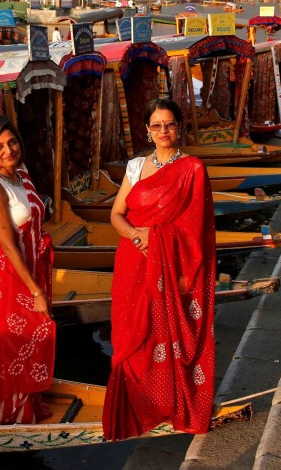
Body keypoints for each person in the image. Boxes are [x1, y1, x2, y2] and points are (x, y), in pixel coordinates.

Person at [102, 98, 216, 441]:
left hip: (171, 266)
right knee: (132, 335)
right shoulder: (136, 167)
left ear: (179, 127)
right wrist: (140, 237)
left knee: (166, 333)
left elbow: (196, 227)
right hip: (134, 262)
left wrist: (160, 240)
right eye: (156, 125)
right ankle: (142, 401)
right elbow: (116, 216)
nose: (163, 131)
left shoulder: (192, 168)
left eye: (169, 124)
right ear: (147, 130)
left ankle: (173, 399)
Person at [0, 116, 55, 424]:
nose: (8, 150)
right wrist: (35, 291)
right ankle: (10, 410)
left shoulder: (21, 174)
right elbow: (7, 245)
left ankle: (29, 395)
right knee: (12, 342)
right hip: (9, 275)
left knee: (34, 334)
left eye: (12, 142)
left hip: (32, 267)